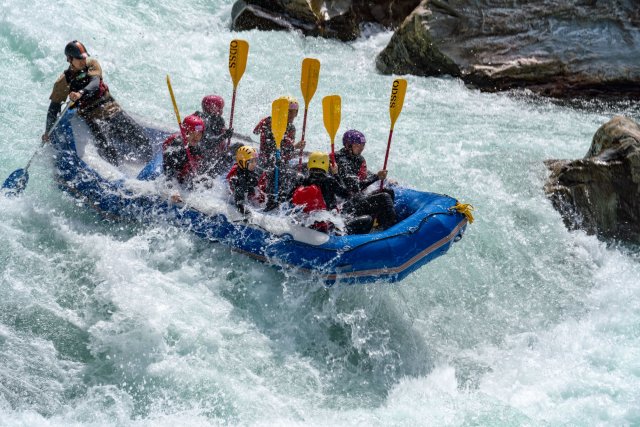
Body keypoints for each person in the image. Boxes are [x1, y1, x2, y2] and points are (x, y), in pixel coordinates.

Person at [43, 40, 151, 165]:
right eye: (79, 59)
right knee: (108, 151)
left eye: (84, 57)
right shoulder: (63, 81)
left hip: (112, 109)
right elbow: (54, 107)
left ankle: (147, 163)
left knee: (142, 140)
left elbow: (94, 83)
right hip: (93, 118)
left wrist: (80, 93)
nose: (83, 61)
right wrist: (48, 131)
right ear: (70, 59)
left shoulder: (92, 64)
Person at [291, 152, 373, 234]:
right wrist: (336, 174)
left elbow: (289, 200)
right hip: (328, 228)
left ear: (309, 165)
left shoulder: (301, 181)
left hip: (308, 224)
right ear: (327, 166)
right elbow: (347, 195)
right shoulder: (329, 181)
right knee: (368, 219)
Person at [335, 129, 397, 230]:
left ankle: (379, 224)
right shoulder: (340, 160)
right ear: (348, 145)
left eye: (363, 144)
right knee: (384, 197)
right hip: (346, 205)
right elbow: (354, 187)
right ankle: (391, 230)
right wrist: (376, 177)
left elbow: (364, 175)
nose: (361, 148)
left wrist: (385, 179)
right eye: (357, 145)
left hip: (357, 199)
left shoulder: (359, 158)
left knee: (388, 191)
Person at [254, 96, 306, 209]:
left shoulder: (289, 127)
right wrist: (295, 146)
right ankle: (274, 201)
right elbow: (257, 132)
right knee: (290, 175)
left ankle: (288, 200)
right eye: (289, 112)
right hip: (268, 162)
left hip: (280, 161)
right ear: (282, 111)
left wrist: (294, 148)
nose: (292, 115)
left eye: (295, 112)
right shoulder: (269, 121)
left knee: (304, 172)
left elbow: (286, 151)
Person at [162, 114, 205, 202]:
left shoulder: (197, 148)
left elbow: (198, 168)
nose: (196, 137)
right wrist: (172, 190)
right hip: (173, 170)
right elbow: (168, 171)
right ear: (185, 132)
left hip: (184, 172)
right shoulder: (176, 148)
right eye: (192, 133)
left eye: (199, 134)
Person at [194, 95, 235, 175]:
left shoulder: (218, 119)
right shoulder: (203, 121)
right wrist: (224, 135)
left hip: (214, 155)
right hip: (204, 159)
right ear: (212, 108)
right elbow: (207, 143)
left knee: (239, 146)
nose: (222, 110)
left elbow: (220, 132)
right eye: (220, 108)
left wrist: (226, 132)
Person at [226, 146, 264, 215]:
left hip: (249, 197)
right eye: (251, 161)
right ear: (242, 162)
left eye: (255, 160)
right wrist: (244, 211)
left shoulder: (250, 170)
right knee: (241, 188)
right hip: (234, 198)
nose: (254, 164)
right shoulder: (237, 177)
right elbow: (238, 199)